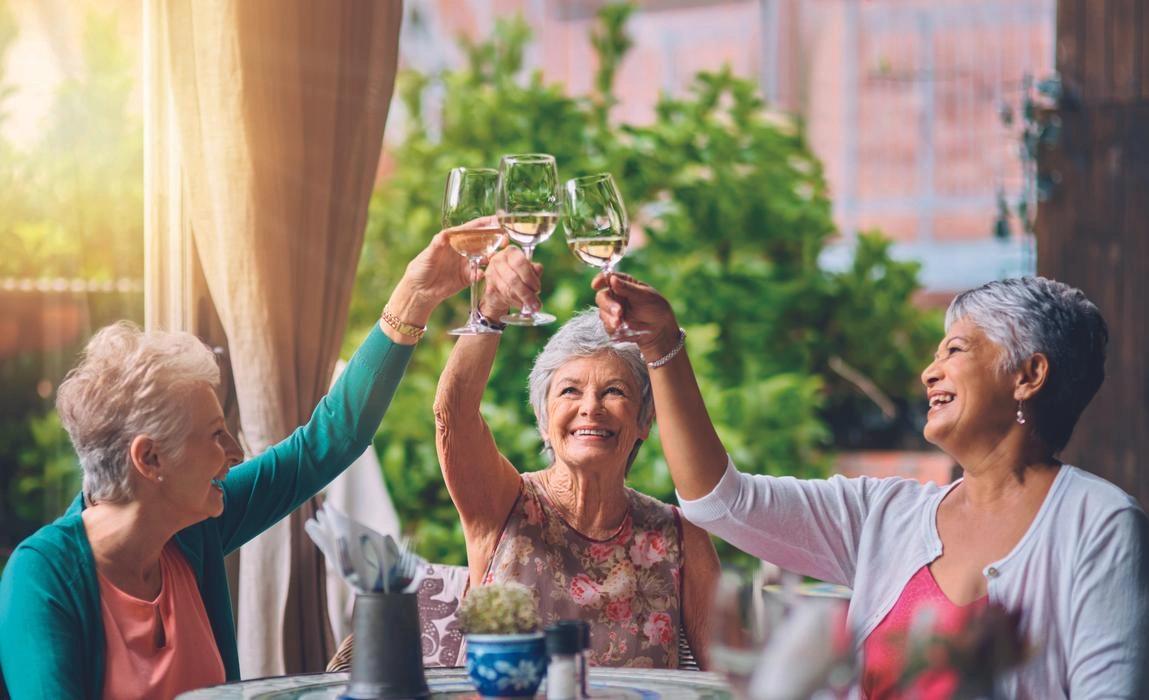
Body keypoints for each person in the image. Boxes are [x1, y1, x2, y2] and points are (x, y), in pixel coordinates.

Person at [592, 273, 1148, 698]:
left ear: (1029, 375)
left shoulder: (1098, 524)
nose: (930, 372)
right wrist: (661, 347)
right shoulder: (886, 513)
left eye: (956, 350)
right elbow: (721, 502)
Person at [0, 223, 487, 699]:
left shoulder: (188, 529)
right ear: (150, 458)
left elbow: (328, 442)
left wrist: (414, 298)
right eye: (215, 435)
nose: (234, 452)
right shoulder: (43, 578)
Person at [432, 248, 719, 669]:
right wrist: (492, 308)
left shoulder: (680, 536)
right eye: (570, 390)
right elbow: (452, 416)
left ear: (645, 421)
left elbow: (733, 676)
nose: (591, 407)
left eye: (614, 392)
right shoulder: (503, 504)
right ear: (544, 421)